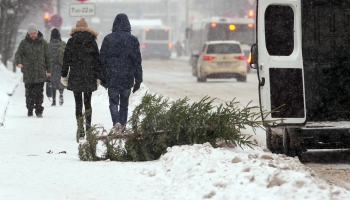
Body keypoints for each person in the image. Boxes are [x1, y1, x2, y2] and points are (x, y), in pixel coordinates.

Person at [99, 13, 143, 132]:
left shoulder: (108, 39)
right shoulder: (133, 40)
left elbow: (101, 60)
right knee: (124, 103)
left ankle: (116, 122)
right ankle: (122, 126)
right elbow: (137, 61)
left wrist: (102, 78)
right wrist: (138, 80)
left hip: (112, 77)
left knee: (113, 103)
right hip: (127, 77)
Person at [61, 17, 100, 138]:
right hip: (89, 76)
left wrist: (64, 75)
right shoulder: (92, 41)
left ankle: (80, 129)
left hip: (76, 75)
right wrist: (98, 76)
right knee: (88, 103)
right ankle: (88, 129)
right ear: (87, 28)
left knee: (78, 104)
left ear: (76, 29)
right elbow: (97, 61)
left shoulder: (71, 41)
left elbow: (66, 60)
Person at [15, 23, 51, 118]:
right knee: (29, 93)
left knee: (39, 93)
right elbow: (18, 54)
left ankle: (39, 110)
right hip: (28, 73)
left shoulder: (43, 43)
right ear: (28, 34)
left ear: (37, 32)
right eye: (31, 33)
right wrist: (19, 62)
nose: (33, 35)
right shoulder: (24, 43)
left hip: (40, 72)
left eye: (34, 33)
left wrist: (48, 70)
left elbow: (47, 57)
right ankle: (30, 109)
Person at [48, 28, 66, 106]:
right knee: (60, 82)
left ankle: (54, 100)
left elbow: (47, 56)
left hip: (52, 66)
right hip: (60, 65)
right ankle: (61, 94)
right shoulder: (62, 44)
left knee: (53, 82)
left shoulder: (49, 45)